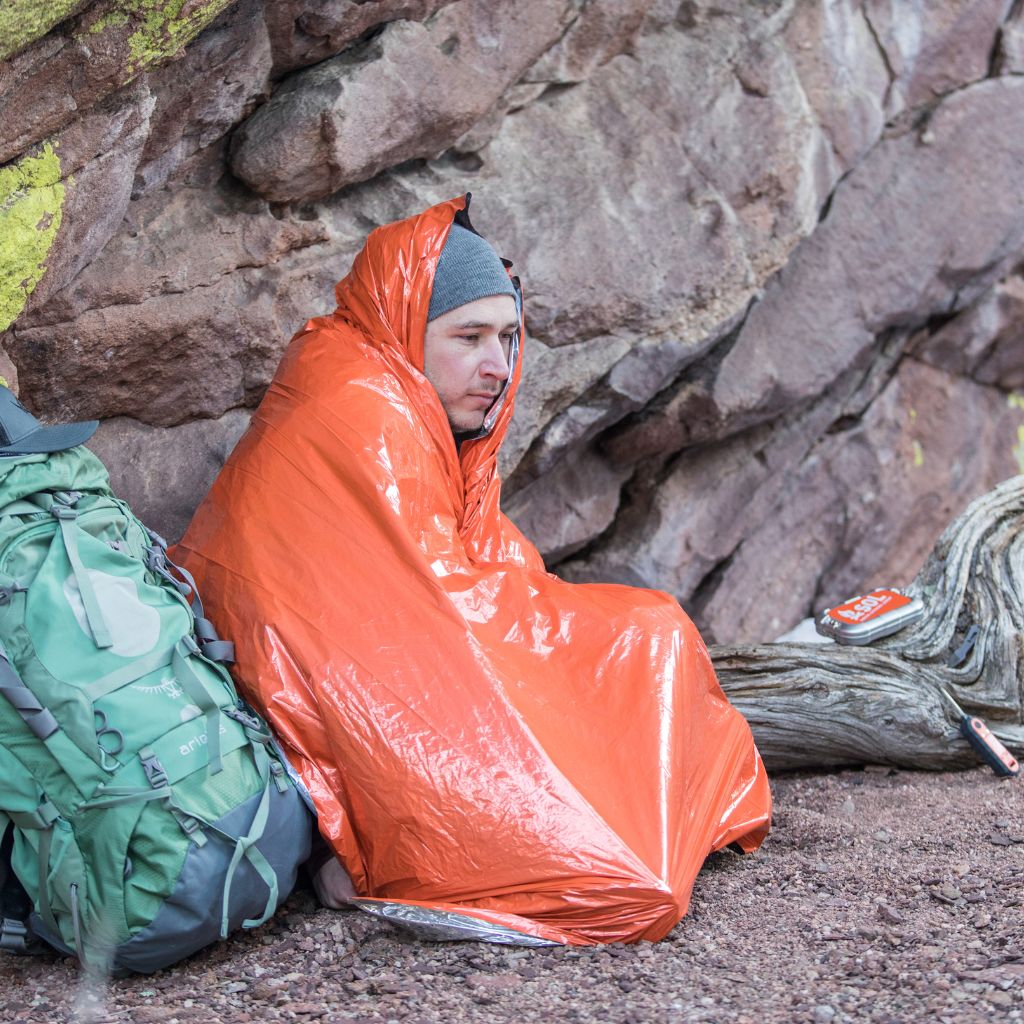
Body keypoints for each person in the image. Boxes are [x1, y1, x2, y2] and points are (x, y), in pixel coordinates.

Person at [177, 195, 771, 945]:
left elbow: (469, 574)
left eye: (508, 337)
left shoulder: (399, 398)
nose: (497, 365)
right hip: (337, 690)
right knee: (613, 838)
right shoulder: (360, 405)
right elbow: (414, 629)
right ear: (404, 322)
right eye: (470, 337)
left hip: (395, 655)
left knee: (647, 634)